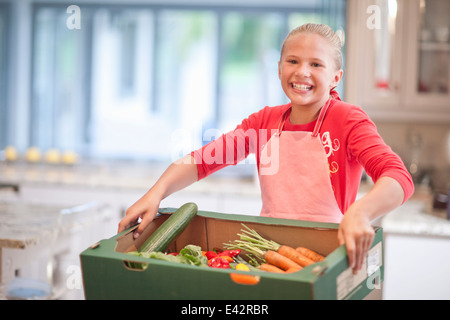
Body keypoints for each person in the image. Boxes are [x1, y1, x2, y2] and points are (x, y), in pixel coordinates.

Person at [118, 23, 414, 274]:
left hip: (326, 257)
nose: (302, 72)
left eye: (316, 64)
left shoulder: (347, 119)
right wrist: (155, 194)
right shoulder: (265, 122)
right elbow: (203, 161)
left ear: (336, 77)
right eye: (293, 61)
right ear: (279, 68)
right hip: (269, 256)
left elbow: (397, 177)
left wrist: (361, 213)